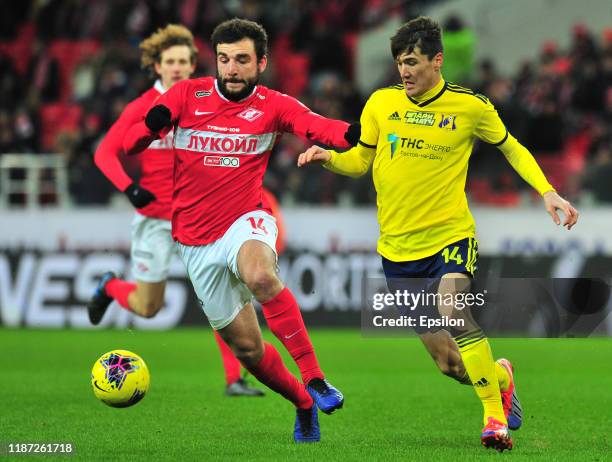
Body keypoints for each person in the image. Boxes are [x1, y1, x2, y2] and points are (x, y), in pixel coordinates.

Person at [297, 16, 579, 452]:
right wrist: (328, 157)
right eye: (399, 63)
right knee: (450, 363)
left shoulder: (470, 107)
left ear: (437, 60)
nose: (404, 71)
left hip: (450, 237)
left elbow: (511, 146)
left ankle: (492, 419)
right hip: (397, 251)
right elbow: (360, 162)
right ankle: (501, 377)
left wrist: (547, 192)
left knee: (453, 308)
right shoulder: (380, 104)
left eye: (411, 61)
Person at [121, 18, 360, 442]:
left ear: (262, 62)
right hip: (194, 241)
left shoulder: (273, 104)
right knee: (248, 351)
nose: (231, 69)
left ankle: (315, 379)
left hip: (245, 220)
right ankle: (303, 405)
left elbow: (317, 126)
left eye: (242, 60)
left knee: (261, 275)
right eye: (224, 59)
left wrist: (354, 134)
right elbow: (130, 145)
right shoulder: (185, 95)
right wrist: (150, 124)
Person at [89, 24, 263, 397]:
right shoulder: (141, 107)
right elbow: (104, 153)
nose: (179, 68)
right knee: (148, 307)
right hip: (156, 219)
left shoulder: (203, 101)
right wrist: (130, 189)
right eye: (170, 61)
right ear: (156, 66)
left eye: (185, 61)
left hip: (203, 217)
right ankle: (110, 287)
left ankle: (235, 379)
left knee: (225, 298)